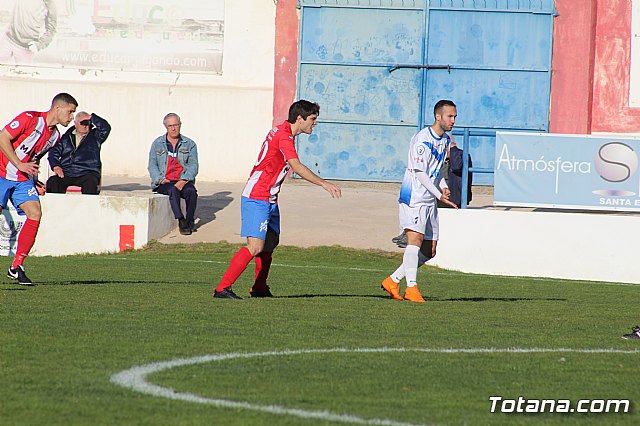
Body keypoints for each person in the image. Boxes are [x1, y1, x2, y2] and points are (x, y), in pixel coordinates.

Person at [213, 100, 342, 299]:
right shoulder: (284, 136)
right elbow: (296, 166)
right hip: (258, 195)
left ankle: (259, 288)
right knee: (255, 247)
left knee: (271, 242)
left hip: (270, 198)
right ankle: (222, 288)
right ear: (300, 118)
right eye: (313, 119)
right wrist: (324, 183)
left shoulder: (282, 131)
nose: (315, 123)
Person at [381, 100, 458, 303]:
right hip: (414, 197)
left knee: (429, 250)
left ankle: (393, 280)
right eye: (450, 116)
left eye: (454, 117)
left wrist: (443, 186)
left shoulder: (445, 141)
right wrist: (438, 194)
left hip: (430, 199)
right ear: (438, 116)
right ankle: (412, 289)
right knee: (414, 241)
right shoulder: (422, 140)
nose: (453, 121)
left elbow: (436, 170)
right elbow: (420, 173)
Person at [0, 92, 77, 285]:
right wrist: (18, 164)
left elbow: (34, 159)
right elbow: (2, 138)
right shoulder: (29, 119)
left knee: (35, 213)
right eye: (70, 112)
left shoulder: (55, 137)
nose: (71, 117)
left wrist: (34, 180)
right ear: (57, 108)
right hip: (2, 173)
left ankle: (16, 266)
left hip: (22, 178)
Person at [148, 113, 199, 235]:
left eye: (175, 125)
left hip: (182, 180)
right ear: (166, 127)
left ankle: (190, 220)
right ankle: (181, 220)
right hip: (165, 182)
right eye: (170, 125)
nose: (173, 128)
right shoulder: (157, 143)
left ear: (180, 125)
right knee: (173, 190)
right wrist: (160, 179)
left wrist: (184, 180)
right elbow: (152, 165)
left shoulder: (189, 144)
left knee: (191, 192)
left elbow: (193, 165)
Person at [46, 111, 111, 194]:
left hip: (87, 171)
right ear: (75, 123)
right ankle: (56, 206)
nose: (85, 126)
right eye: (82, 123)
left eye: (87, 123)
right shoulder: (66, 138)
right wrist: (56, 166)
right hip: (67, 172)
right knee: (53, 182)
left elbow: (106, 128)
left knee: (91, 182)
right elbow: (53, 153)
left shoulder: (95, 136)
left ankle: (88, 206)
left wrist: (92, 117)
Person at [0, 0, 57, 64]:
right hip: (7, 40)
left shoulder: (49, 3)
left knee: (22, 73)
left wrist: (39, 44)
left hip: (26, 49)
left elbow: (51, 30)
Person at [447, 135, 473, 208]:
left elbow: (456, 166)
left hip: (455, 199)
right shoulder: (438, 159)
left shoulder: (461, 155)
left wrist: (453, 148)